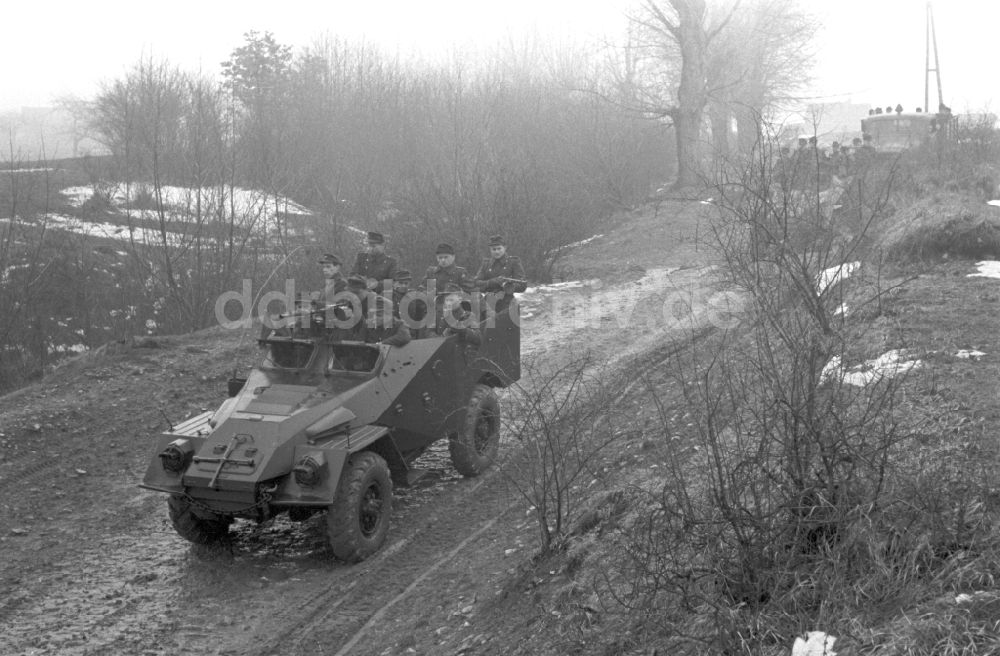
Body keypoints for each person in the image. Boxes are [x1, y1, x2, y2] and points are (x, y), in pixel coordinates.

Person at [391, 269, 428, 334]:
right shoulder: (387, 296)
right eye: (400, 283)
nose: (404, 286)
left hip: (411, 333)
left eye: (406, 283)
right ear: (393, 283)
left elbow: (421, 314)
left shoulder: (413, 296)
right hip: (392, 332)